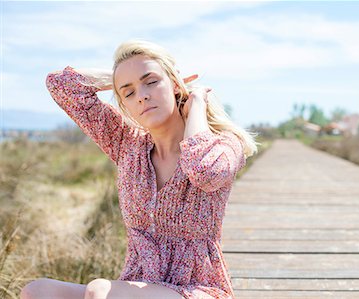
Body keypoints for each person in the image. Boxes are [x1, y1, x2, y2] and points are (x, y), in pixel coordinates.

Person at [20, 40, 258, 299]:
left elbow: (204, 172)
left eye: (152, 81)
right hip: (134, 288)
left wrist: (197, 103)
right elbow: (61, 84)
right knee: (37, 291)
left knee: (99, 290)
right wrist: (120, 78)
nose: (142, 95)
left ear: (175, 84)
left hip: (197, 291)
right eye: (129, 92)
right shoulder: (126, 144)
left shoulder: (223, 145)